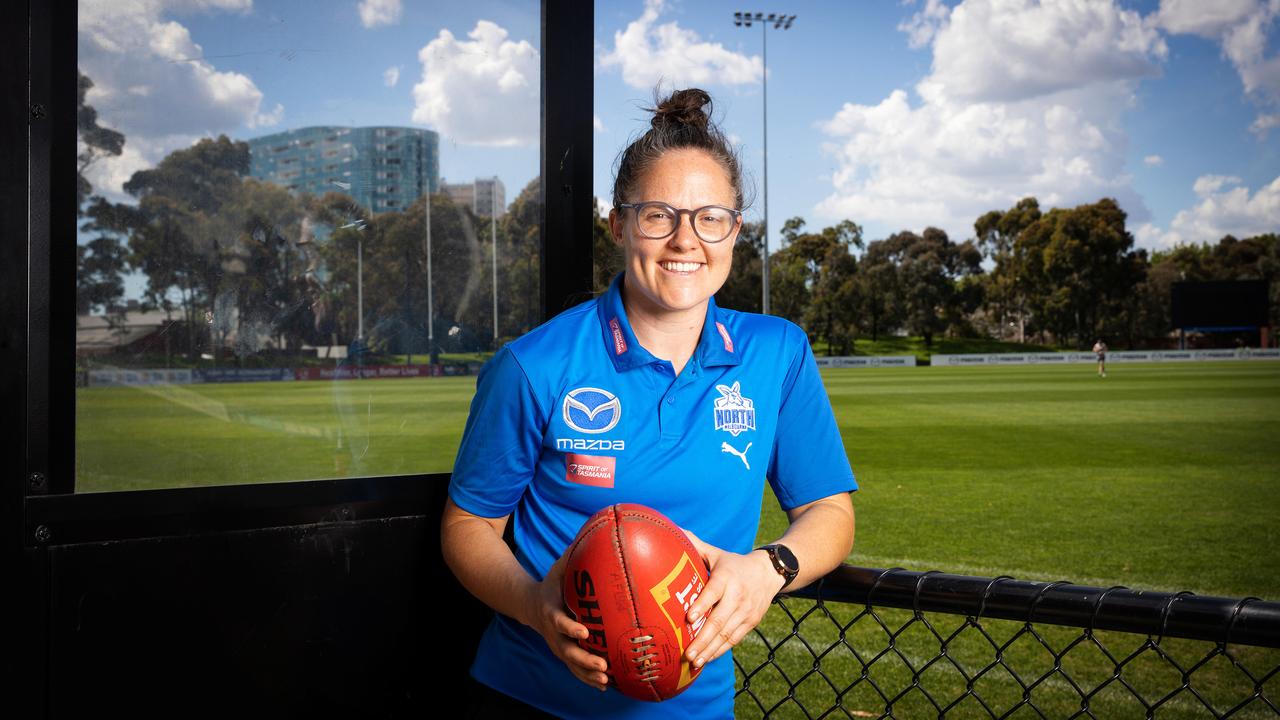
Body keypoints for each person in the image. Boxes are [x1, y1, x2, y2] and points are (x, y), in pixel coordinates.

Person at [441, 88, 857, 719]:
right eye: (659, 215)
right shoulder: (535, 365)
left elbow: (830, 512)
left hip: (698, 706)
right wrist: (534, 606)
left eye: (711, 217)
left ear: (735, 230)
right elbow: (468, 527)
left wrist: (768, 568)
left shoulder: (778, 354)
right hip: (529, 699)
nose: (686, 240)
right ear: (619, 224)